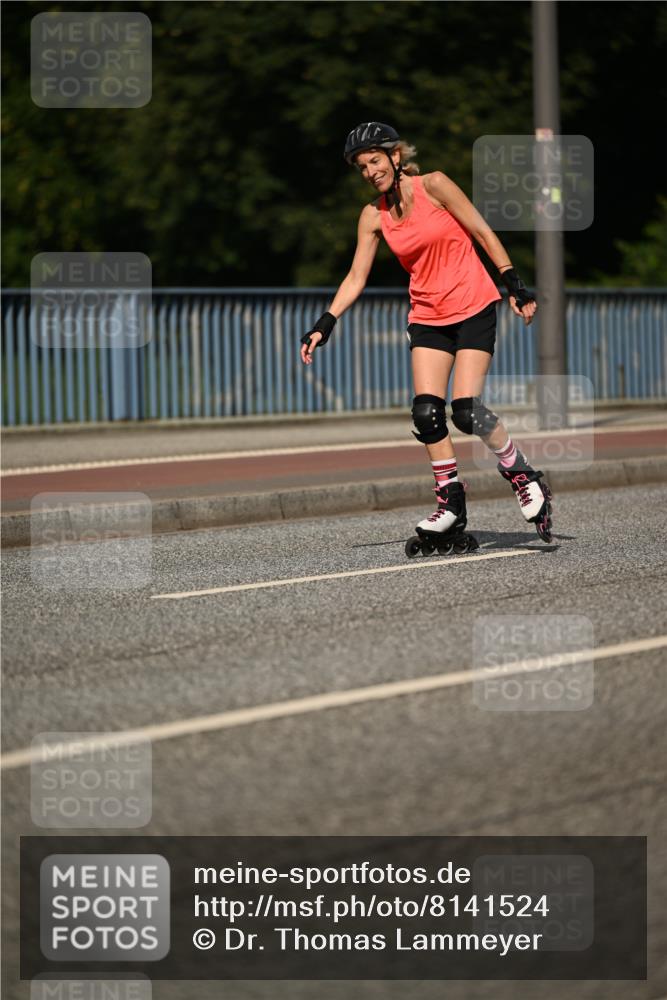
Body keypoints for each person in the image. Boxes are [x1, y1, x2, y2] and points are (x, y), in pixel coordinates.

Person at [300, 122, 552, 547]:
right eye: (362, 167)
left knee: (466, 411)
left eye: (375, 160)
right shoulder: (373, 216)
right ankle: (450, 503)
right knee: (427, 414)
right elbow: (356, 277)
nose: (370, 171)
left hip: (472, 305)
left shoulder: (434, 185)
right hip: (428, 316)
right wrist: (325, 323)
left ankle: (522, 474)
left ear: (395, 156)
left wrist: (514, 284)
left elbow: (481, 231)